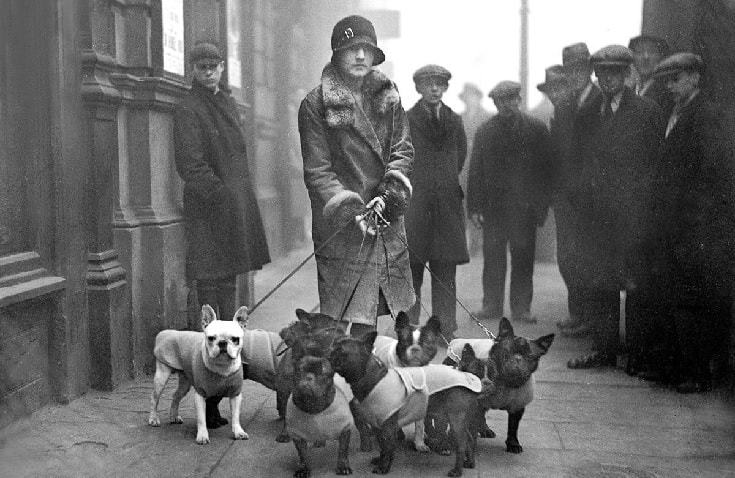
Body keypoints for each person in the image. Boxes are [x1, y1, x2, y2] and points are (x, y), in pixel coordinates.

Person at [298, 15, 415, 339]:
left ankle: (370, 386)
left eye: (366, 48)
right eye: (352, 49)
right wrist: (353, 210)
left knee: (374, 320)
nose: (361, 55)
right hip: (344, 225)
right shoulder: (316, 104)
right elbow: (318, 170)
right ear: (336, 54)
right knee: (343, 323)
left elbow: (402, 150)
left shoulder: (389, 96)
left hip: (384, 218)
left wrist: (389, 194)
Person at [173, 42, 271, 426]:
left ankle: (228, 382)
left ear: (221, 69)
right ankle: (208, 400)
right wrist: (221, 197)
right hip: (209, 213)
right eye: (202, 66)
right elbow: (189, 165)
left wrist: (236, 201)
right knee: (209, 295)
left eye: (214, 66)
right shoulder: (189, 108)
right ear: (193, 70)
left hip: (231, 212)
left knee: (227, 287)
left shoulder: (228, 104)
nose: (209, 71)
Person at [566, 45, 665, 370]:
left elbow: (654, 166)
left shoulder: (646, 112)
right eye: (602, 73)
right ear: (597, 75)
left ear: (627, 75)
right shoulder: (590, 112)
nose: (608, 79)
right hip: (597, 217)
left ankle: (638, 355)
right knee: (600, 284)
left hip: (632, 217)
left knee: (637, 286)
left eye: (615, 73)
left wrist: (640, 207)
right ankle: (604, 350)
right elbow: (579, 160)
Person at [652, 53, 735, 392]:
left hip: (697, 225)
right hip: (677, 223)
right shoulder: (676, 112)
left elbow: (712, 175)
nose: (670, 86)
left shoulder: (707, 115)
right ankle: (680, 369)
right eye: (667, 80)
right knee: (678, 296)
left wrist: (695, 221)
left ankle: (697, 373)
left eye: (677, 79)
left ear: (695, 78)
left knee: (695, 300)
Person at [467, 81, 554, 324]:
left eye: (512, 100)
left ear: (519, 99)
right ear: (495, 104)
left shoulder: (536, 129)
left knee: (523, 259)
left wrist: (541, 206)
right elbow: (476, 172)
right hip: (494, 210)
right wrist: (474, 207)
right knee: (493, 258)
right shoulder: (486, 131)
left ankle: (521, 308)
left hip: (524, 210)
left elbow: (546, 171)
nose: (507, 105)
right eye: (501, 101)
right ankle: (492, 306)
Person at [404, 65, 469, 337]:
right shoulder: (406, 119)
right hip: (416, 206)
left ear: (445, 88)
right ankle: (407, 330)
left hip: (446, 208)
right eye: (428, 84)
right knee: (411, 271)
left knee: (445, 272)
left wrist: (444, 183)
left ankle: (444, 330)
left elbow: (460, 156)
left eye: (439, 84)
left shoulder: (454, 120)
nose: (434, 89)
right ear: (418, 88)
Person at [554, 42, 602, 338]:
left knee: (589, 257)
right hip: (565, 196)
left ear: (590, 70)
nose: (577, 75)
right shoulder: (563, 105)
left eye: (581, 69)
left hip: (589, 195)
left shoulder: (599, 100)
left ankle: (590, 317)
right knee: (568, 258)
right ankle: (578, 313)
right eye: (571, 70)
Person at [458, 83, 492, 257]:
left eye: (473, 97)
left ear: (479, 98)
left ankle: (479, 244)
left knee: (478, 204)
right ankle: (466, 244)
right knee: (463, 204)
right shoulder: (460, 118)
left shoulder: (487, 118)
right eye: (467, 97)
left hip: (481, 168)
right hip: (463, 168)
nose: (470, 101)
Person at [628, 35, 674, 116]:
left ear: (661, 57)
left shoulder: (666, 91)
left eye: (652, 52)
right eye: (639, 52)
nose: (646, 57)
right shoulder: (631, 90)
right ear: (632, 59)